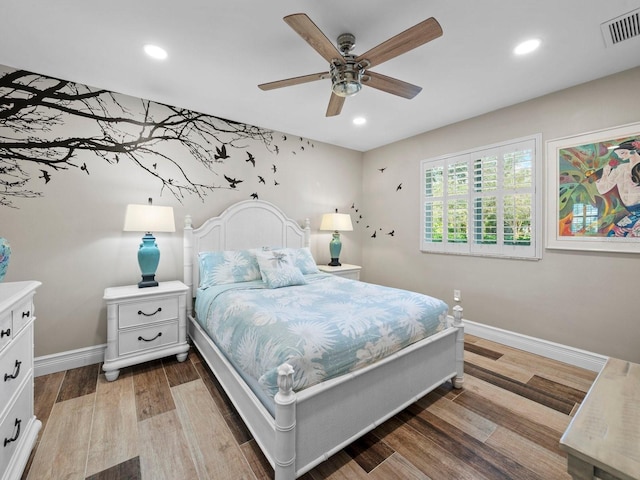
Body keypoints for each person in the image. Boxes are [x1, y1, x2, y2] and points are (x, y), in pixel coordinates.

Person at [595, 139, 640, 236]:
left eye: (622, 153)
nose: (619, 156)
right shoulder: (620, 168)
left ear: (633, 151)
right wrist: (606, 172)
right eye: (618, 154)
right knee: (613, 235)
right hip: (631, 212)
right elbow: (603, 189)